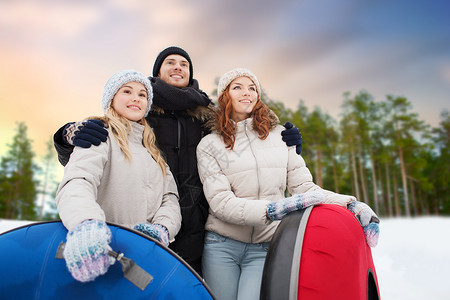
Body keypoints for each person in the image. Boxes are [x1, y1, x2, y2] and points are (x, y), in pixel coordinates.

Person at [52, 46, 303, 276]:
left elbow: (239, 134)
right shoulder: (141, 111)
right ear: (157, 72)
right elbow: (86, 168)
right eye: (170, 62)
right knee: (146, 280)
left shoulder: (207, 114)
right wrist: (67, 136)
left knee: (184, 284)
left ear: (190, 73)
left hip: (196, 217)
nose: (177, 67)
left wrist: (279, 137)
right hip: (141, 217)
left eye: (184, 64)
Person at [196, 68, 380, 300]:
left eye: (252, 88)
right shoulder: (209, 145)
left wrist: (350, 204)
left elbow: (305, 188)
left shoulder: (280, 136)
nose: (247, 93)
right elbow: (221, 202)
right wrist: (272, 210)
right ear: (225, 95)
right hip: (221, 246)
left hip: (265, 246)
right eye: (238, 87)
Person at [55, 70, 182, 283]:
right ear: (112, 99)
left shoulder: (154, 154)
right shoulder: (99, 135)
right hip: (98, 251)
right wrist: (85, 223)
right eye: (127, 91)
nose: (136, 98)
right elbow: (77, 181)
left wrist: (162, 229)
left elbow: (170, 199)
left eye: (142, 95)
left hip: (140, 261)